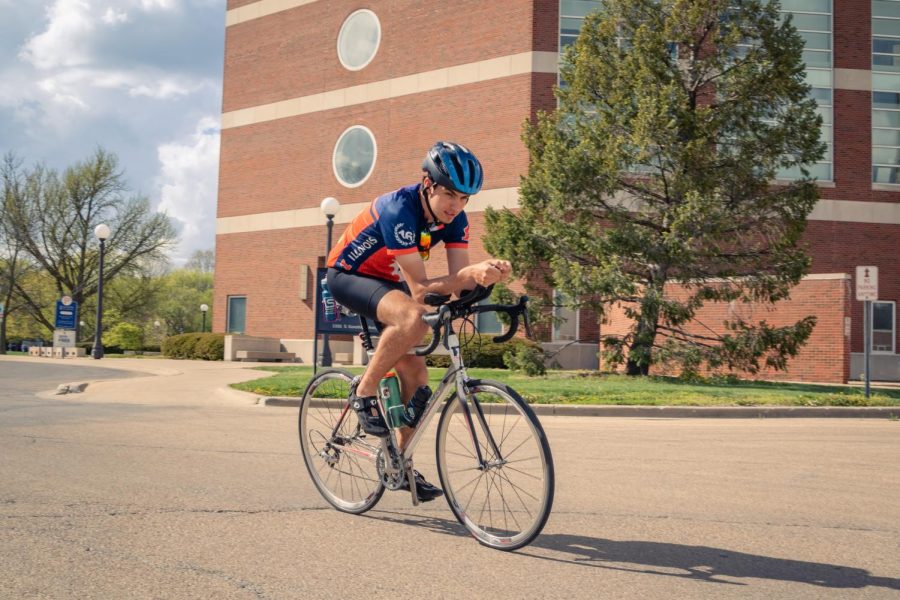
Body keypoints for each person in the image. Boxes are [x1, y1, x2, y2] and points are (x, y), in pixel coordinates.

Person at [325, 141, 512, 501]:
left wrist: (486, 275)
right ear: (428, 184)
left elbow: (458, 283)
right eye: (450, 194)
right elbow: (422, 292)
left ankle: (399, 464)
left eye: (464, 198)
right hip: (349, 275)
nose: (455, 206)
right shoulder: (399, 209)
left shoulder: (456, 220)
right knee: (414, 317)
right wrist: (466, 277)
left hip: (390, 282)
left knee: (417, 376)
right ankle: (364, 392)